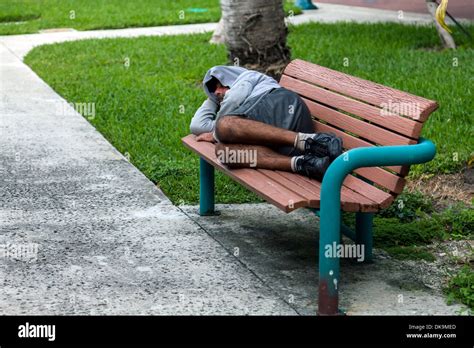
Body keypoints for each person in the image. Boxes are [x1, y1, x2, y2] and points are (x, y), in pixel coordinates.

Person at [189, 65, 343, 181]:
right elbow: (197, 126)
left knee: (224, 125)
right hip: (277, 142)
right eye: (214, 90)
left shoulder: (248, 77)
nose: (217, 91)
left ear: (229, 77)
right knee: (225, 152)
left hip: (284, 107)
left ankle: (311, 141)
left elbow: (234, 98)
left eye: (220, 84)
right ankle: (304, 164)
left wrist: (216, 132)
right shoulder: (234, 113)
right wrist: (213, 98)